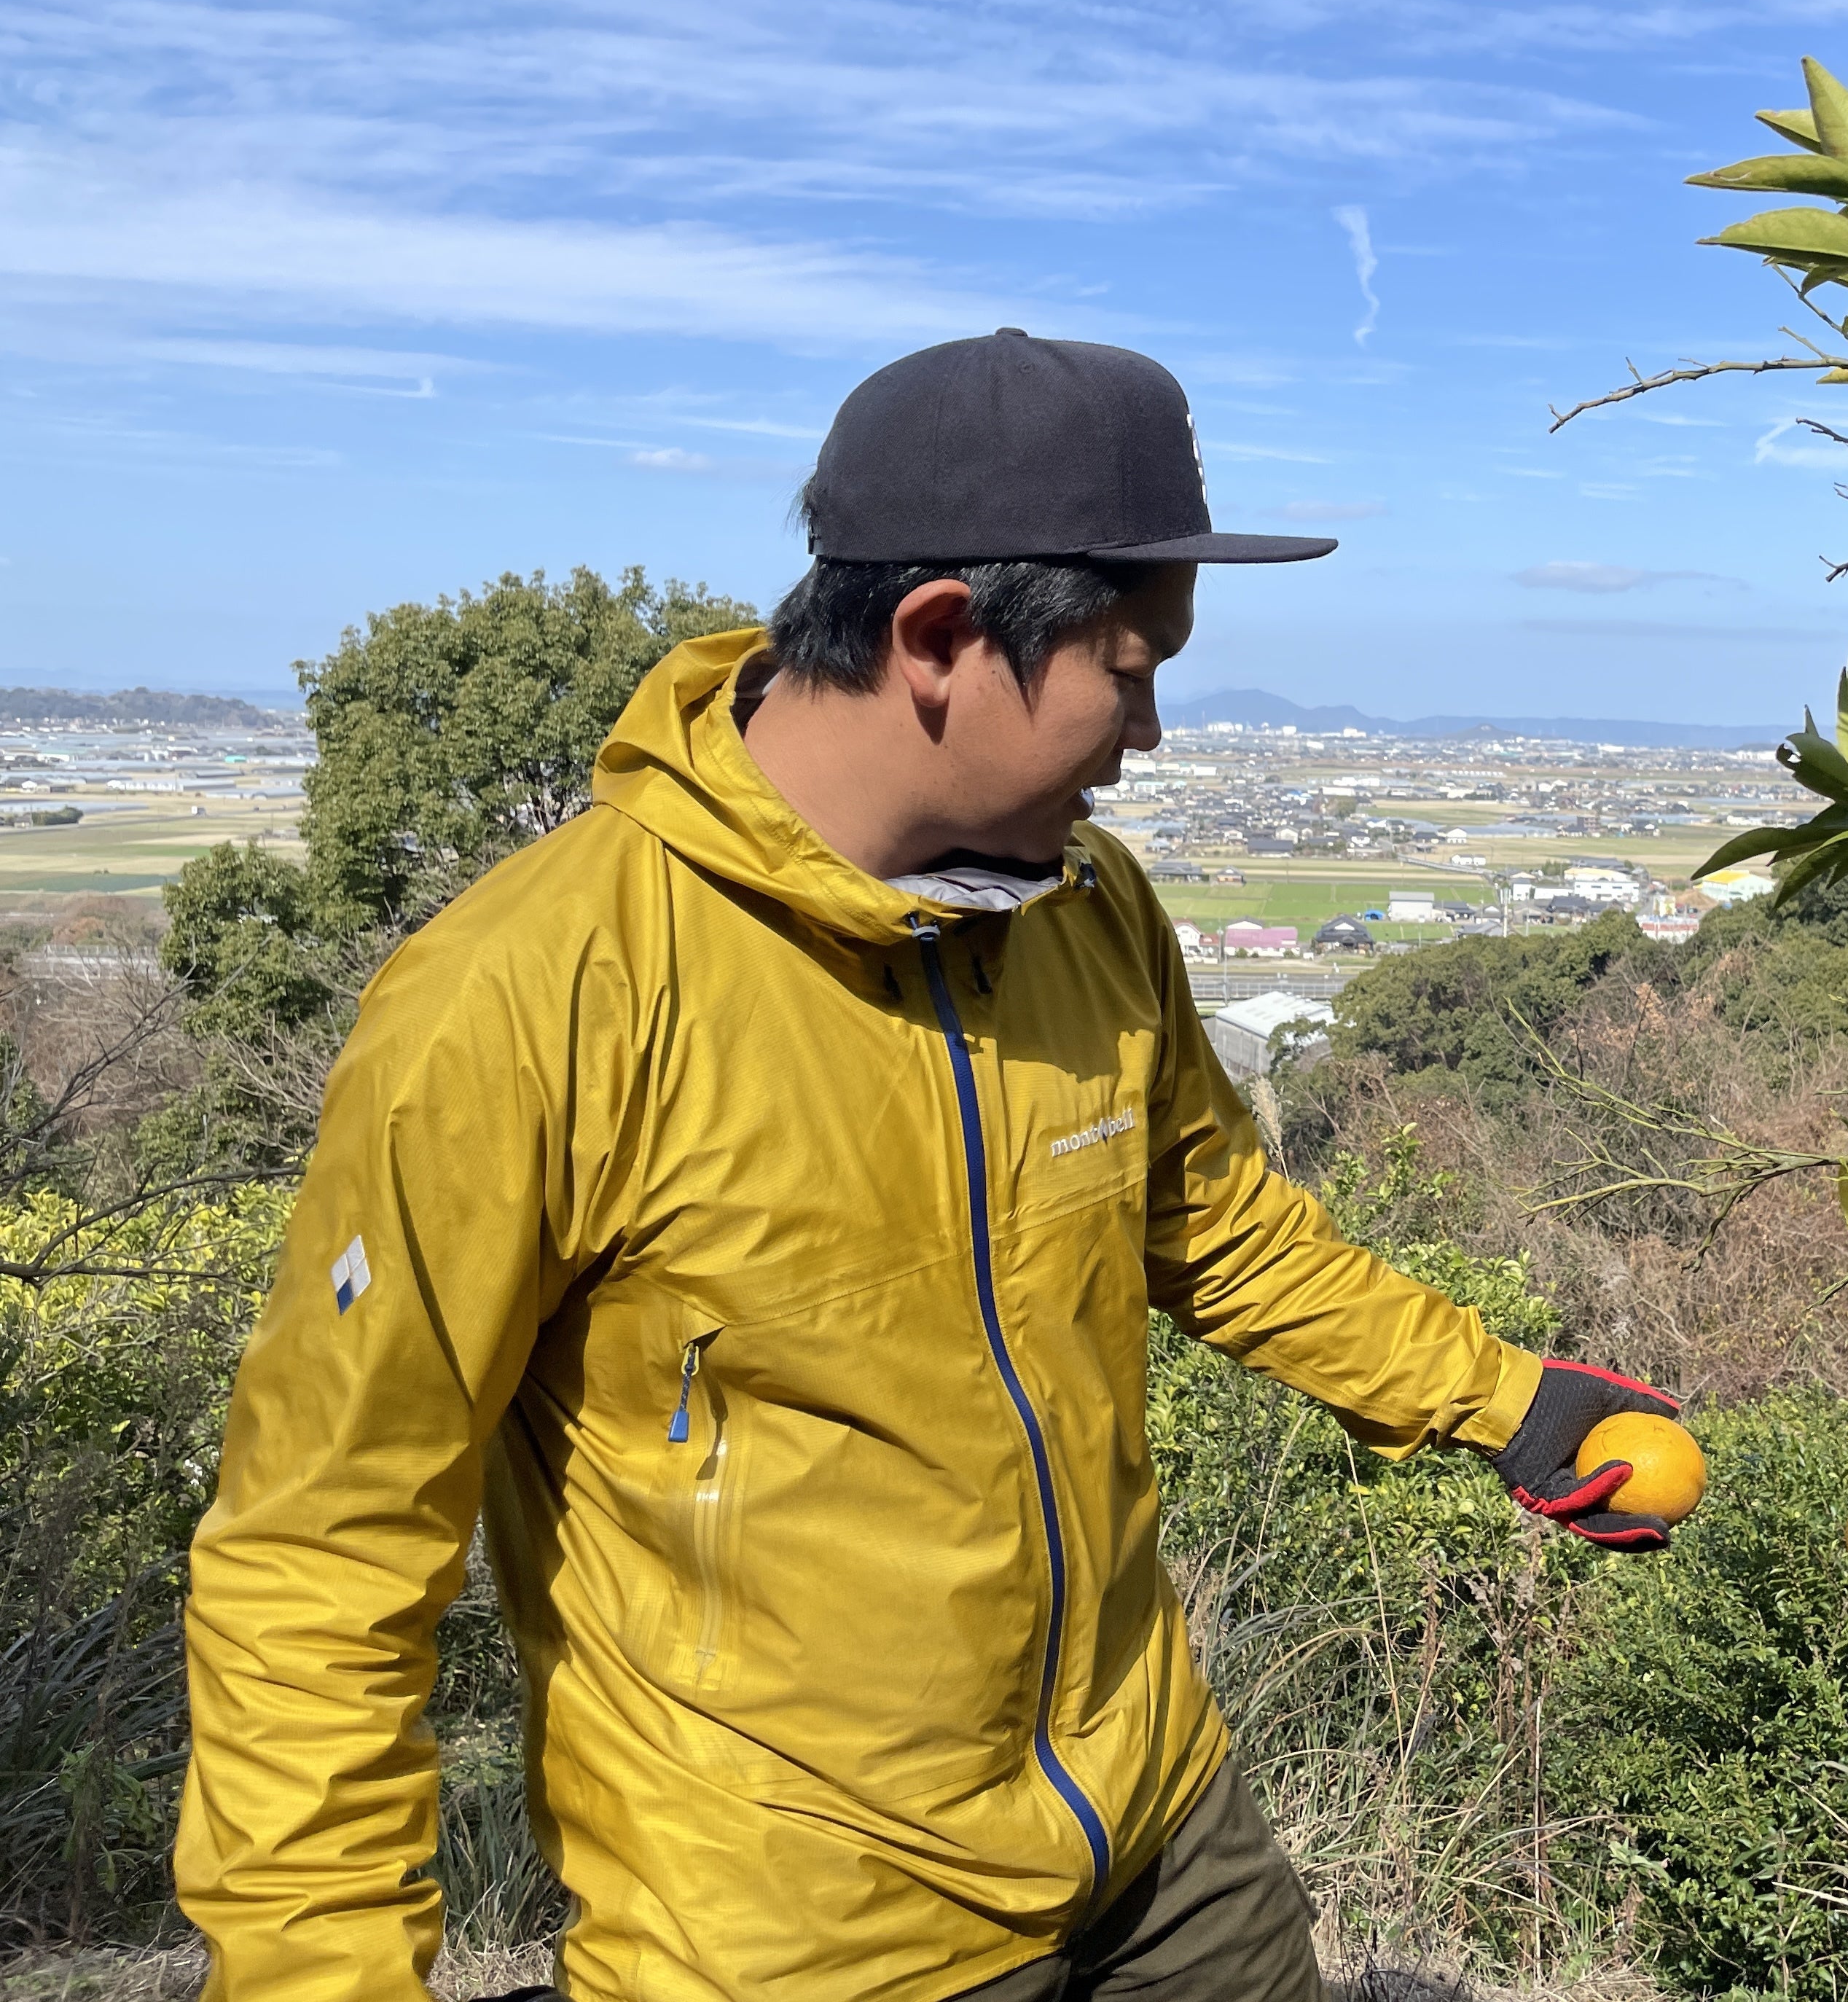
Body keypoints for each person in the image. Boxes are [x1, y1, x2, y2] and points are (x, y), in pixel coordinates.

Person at [174, 332, 1683, 2002]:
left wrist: (1508, 1402)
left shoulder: (1087, 910)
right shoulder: (533, 995)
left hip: (1162, 1834)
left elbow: (1221, 1231)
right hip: (804, 1940)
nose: (1152, 732)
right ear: (942, 638)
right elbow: (323, 1548)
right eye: (1129, 668)